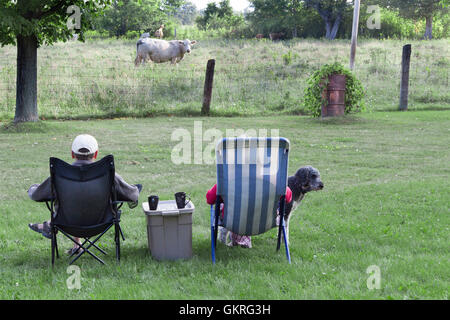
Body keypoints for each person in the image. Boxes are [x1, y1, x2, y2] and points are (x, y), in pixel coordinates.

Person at [28, 134, 142, 255]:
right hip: (101, 223)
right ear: (96, 153)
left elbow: (36, 195)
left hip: (68, 224)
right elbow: (133, 196)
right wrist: (135, 188)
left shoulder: (60, 175)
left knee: (76, 200)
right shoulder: (108, 174)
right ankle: (72, 242)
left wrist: (32, 188)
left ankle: (50, 227)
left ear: (72, 154)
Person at [206, 184, 292, 248]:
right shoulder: (274, 181)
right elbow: (288, 197)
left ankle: (228, 238)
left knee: (224, 206)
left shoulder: (227, 180)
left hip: (234, 220)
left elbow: (210, 199)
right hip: (264, 221)